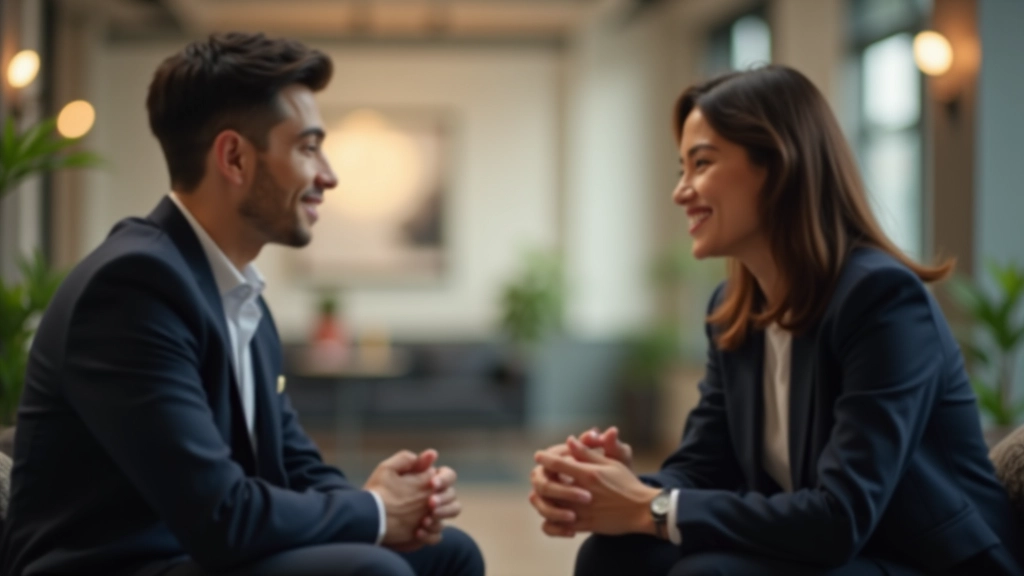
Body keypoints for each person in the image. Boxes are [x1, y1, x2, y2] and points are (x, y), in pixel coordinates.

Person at [0, 32, 484, 576]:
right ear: (233, 157)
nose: (329, 175)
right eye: (307, 147)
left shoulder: (238, 296)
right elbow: (220, 515)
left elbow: (291, 466)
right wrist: (373, 512)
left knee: (450, 554)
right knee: (376, 572)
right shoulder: (133, 289)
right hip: (123, 565)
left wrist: (397, 503)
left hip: (197, 555)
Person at [528, 65, 1024, 576]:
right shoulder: (732, 312)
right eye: (682, 168)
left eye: (701, 164)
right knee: (613, 555)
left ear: (779, 167)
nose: (681, 191)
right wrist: (610, 488)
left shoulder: (882, 299)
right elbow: (703, 468)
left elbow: (841, 516)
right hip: (831, 549)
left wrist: (643, 507)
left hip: (921, 559)